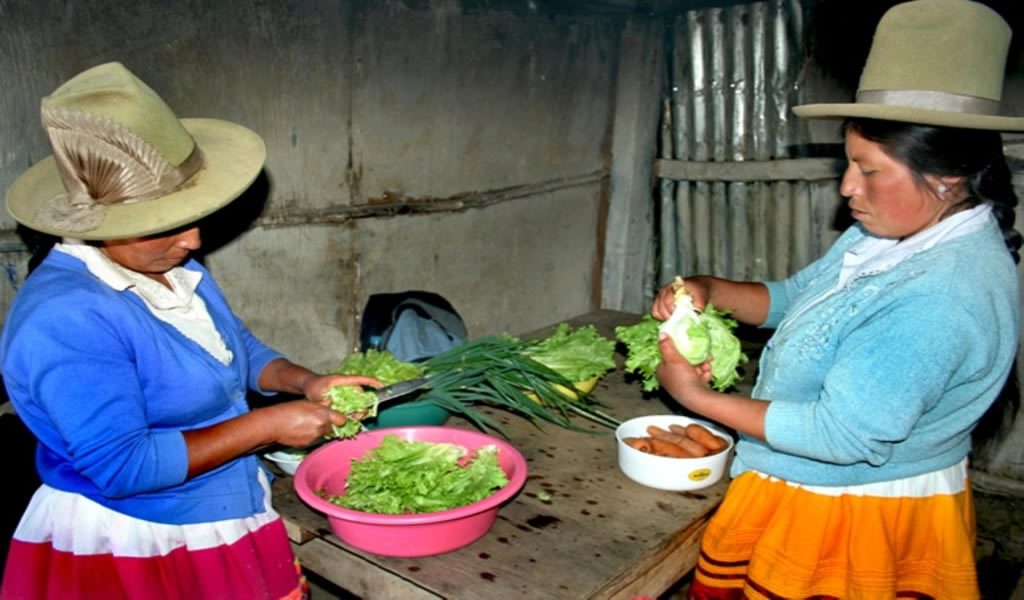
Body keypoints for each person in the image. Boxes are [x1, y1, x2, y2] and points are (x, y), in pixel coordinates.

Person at [649, 1, 1023, 598]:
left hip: (845, 519)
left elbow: (838, 436)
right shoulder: (894, 232)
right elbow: (796, 299)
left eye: (868, 170)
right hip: (806, 489)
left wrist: (693, 396)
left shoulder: (944, 297)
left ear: (947, 177)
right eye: (849, 162)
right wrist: (709, 289)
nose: (848, 186)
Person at [0, 62, 381, 599]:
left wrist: (305, 383)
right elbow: (124, 465)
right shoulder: (66, 319)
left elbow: (233, 350)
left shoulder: (170, 270)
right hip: (138, 540)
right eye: (167, 225)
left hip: (222, 505)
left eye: (193, 215)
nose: (195, 240)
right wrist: (268, 425)